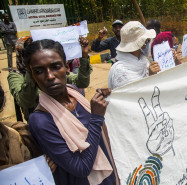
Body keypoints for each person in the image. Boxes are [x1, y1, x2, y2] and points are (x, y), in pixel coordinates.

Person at [24, 39, 119, 185]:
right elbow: (81, 167)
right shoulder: (40, 120)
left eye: (55, 66)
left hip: (108, 178)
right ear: (32, 77)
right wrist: (96, 118)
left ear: (66, 67)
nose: (49, 76)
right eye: (39, 71)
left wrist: (101, 99)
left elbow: (99, 139)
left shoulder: (74, 92)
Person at [7, 36, 93, 121]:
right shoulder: (16, 76)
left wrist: (84, 57)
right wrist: (32, 72)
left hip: (65, 117)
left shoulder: (55, 72)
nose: (50, 76)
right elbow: (25, 101)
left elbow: (82, 82)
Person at [108, 21, 160, 90]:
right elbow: (135, 95)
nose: (146, 44)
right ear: (141, 44)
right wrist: (150, 77)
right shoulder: (121, 71)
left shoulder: (143, 61)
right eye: (147, 40)